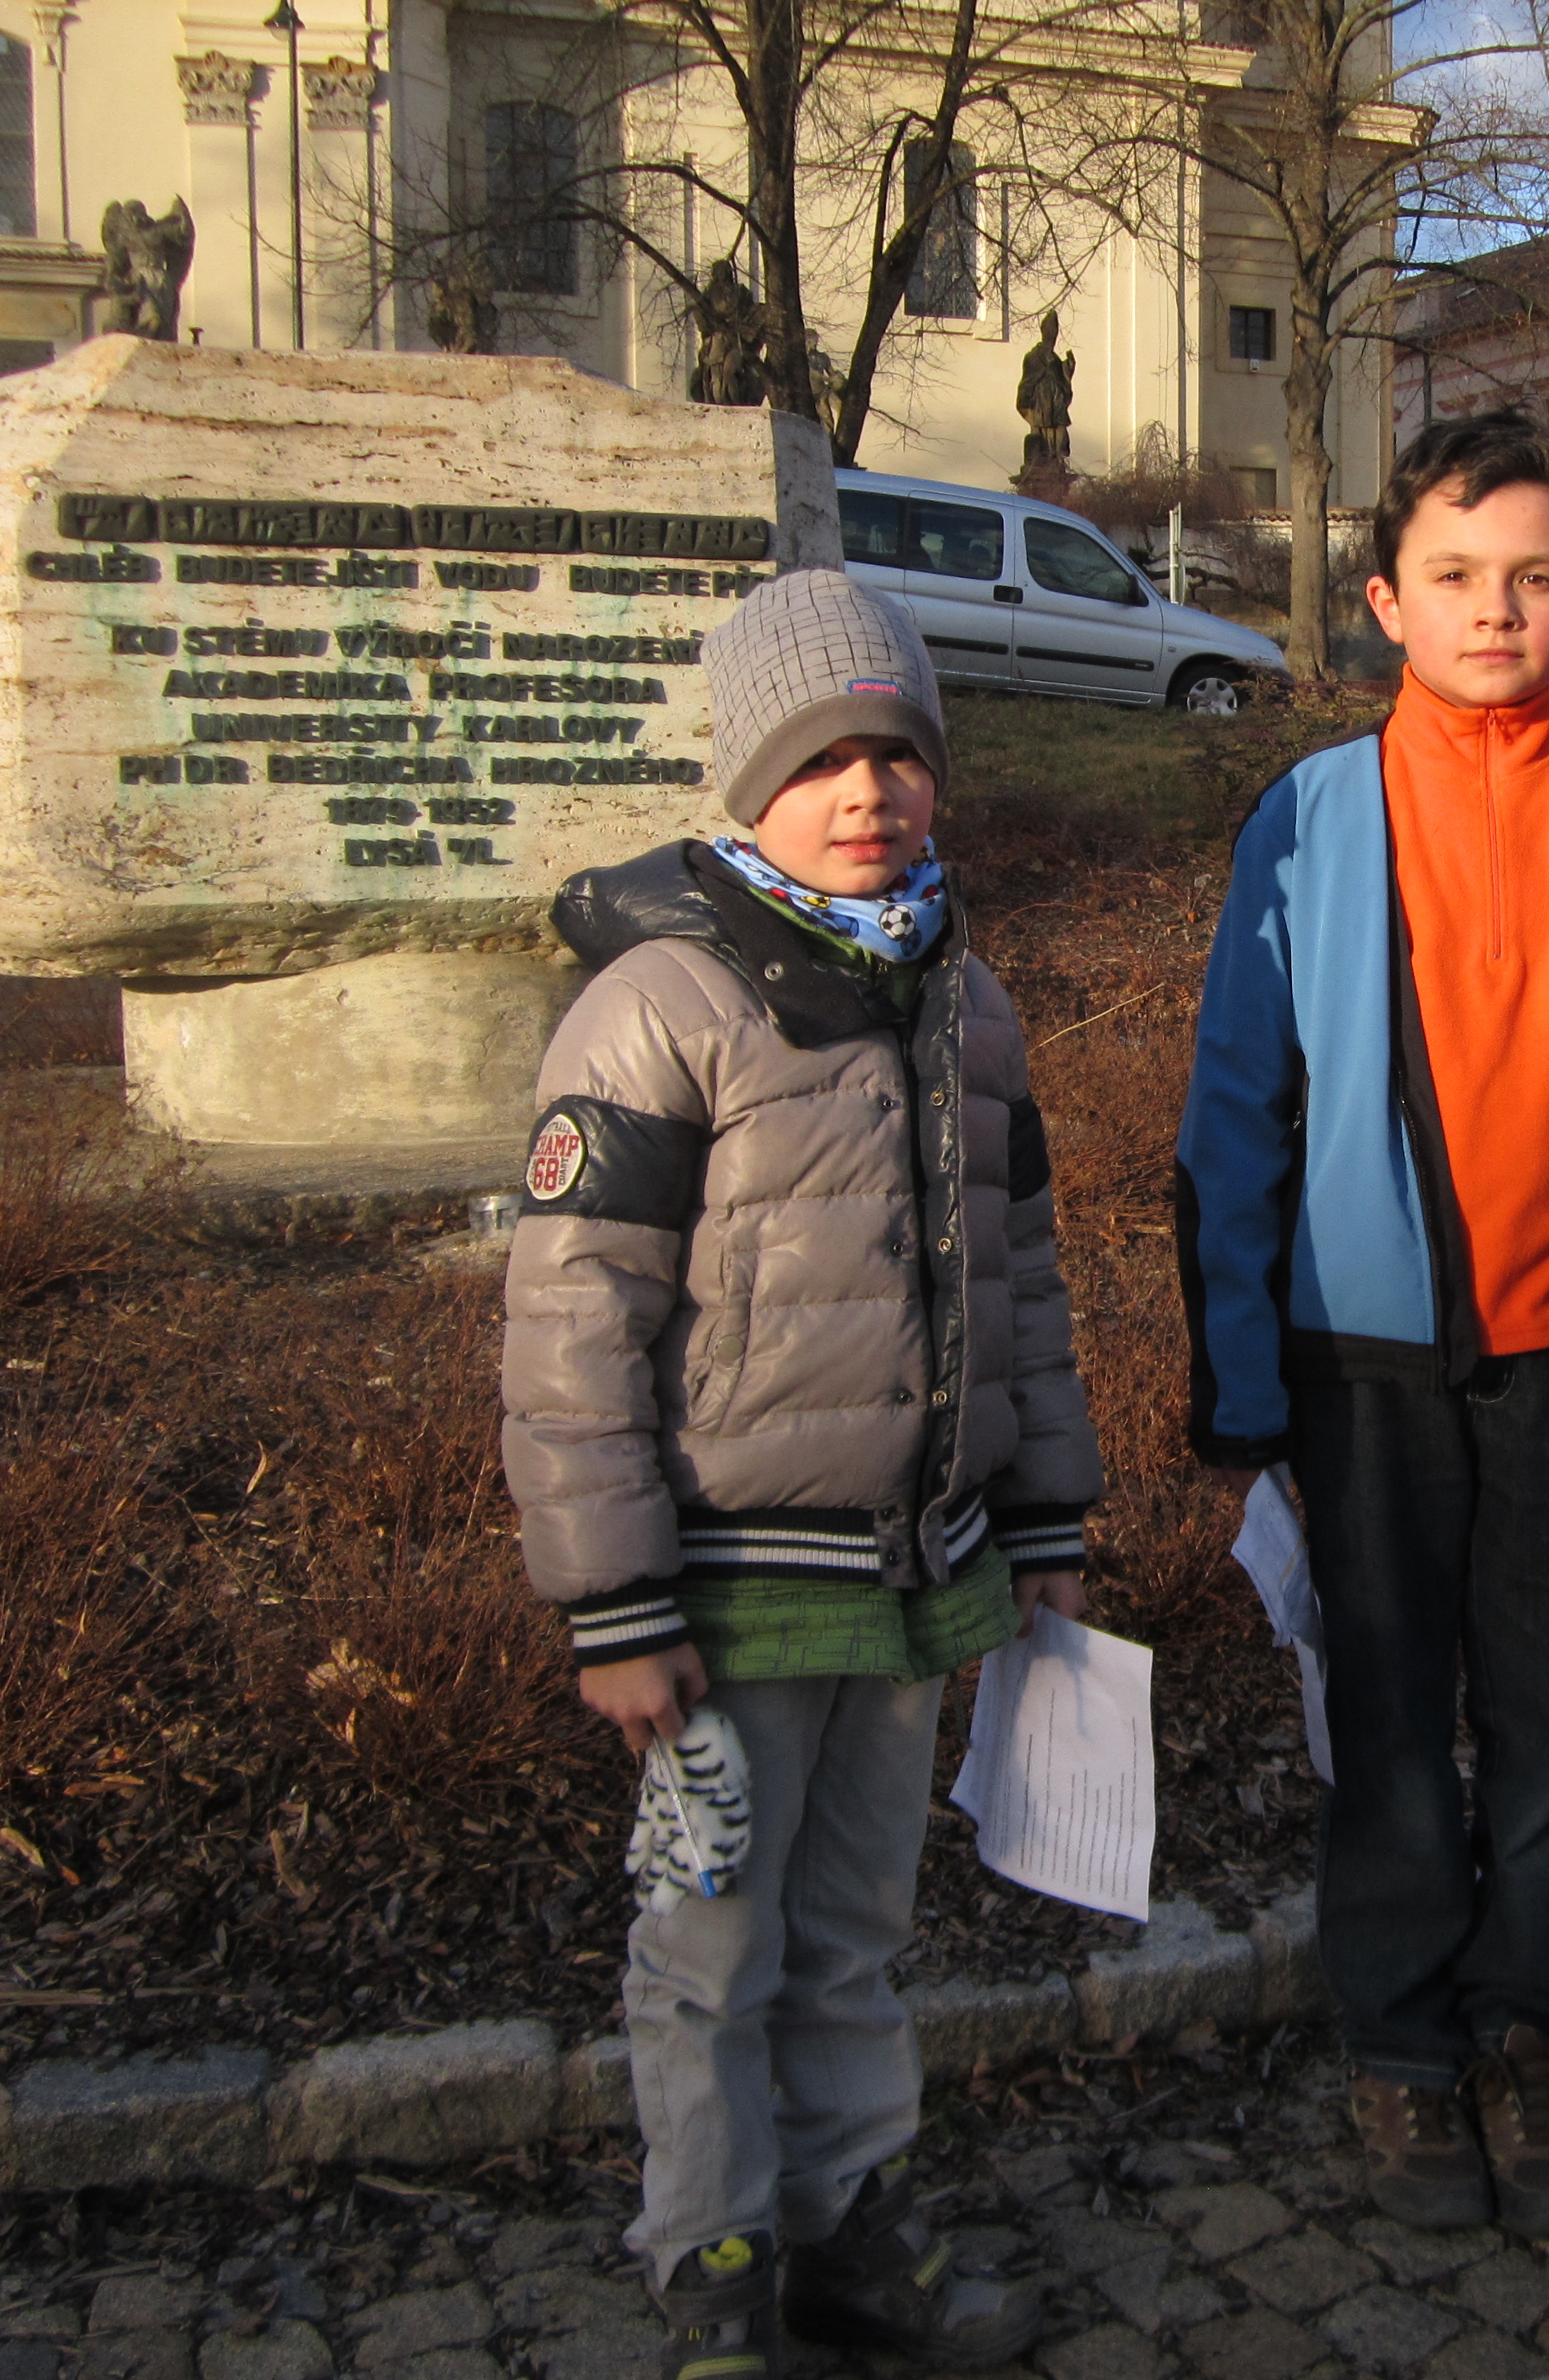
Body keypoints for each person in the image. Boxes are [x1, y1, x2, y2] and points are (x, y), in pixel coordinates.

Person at [500, 569, 1104, 2380]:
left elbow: (1022, 1277)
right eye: (821, 759)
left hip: (911, 1573)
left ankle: (852, 2225)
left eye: (898, 754)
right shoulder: (660, 1007)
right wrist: (615, 1601)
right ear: (745, 778)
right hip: (729, 1585)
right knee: (709, 1942)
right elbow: (575, 1322)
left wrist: (1043, 1510)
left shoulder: (964, 998)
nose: (867, 793)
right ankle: (715, 2261)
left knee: (853, 1931)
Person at [1175, 409, 1549, 2238]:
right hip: (1363, 1364)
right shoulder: (1312, 818)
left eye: (1534, 577)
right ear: (1385, 601)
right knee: (1388, 1719)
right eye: (1453, 575)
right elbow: (1234, 1112)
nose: (1494, 609)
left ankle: (1527, 2029)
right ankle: (1403, 2041)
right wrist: (1242, 1384)